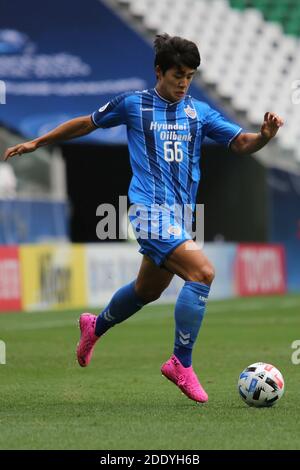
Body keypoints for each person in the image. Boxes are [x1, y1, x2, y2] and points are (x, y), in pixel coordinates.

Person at [3, 34, 284, 403]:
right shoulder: (134, 105)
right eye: (177, 75)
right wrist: (38, 143)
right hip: (149, 211)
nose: (184, 83)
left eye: (190, 76)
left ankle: (95, 325)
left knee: (147, 291)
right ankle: (180, 363)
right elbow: (86, 123)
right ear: (159, 71)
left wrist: (264, 137)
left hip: (181, 216)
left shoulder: (198, 112)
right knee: (202, 273)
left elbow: (241, 144)